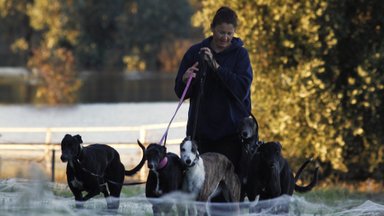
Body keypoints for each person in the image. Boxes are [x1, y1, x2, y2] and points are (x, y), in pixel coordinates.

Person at [174, 6, 253, 174]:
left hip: (230, 134)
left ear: (234, 33)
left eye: (229, 34)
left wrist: (216, 67)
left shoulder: (240, 55)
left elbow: (241, 90)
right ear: (212, 29)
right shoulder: (195, 52)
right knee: (198, 188)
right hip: (200, 133)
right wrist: (184, 80)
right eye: (221, 32)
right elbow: (180, 93)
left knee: (227, 189)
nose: (225, 38)